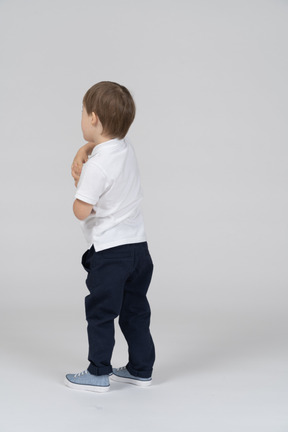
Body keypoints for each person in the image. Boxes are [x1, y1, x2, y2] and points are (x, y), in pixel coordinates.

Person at [65, 81, 155, 393]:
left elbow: (81, 211)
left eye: (82, 112)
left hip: (110, 253)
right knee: (135, 312)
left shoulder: (97, 168)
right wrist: (83, 149)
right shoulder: (125, 149)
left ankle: (98, 372)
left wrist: (78, 180)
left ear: (92, 118)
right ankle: (141, 369)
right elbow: (102, 145)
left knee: (101, 313)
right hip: (138, 251)